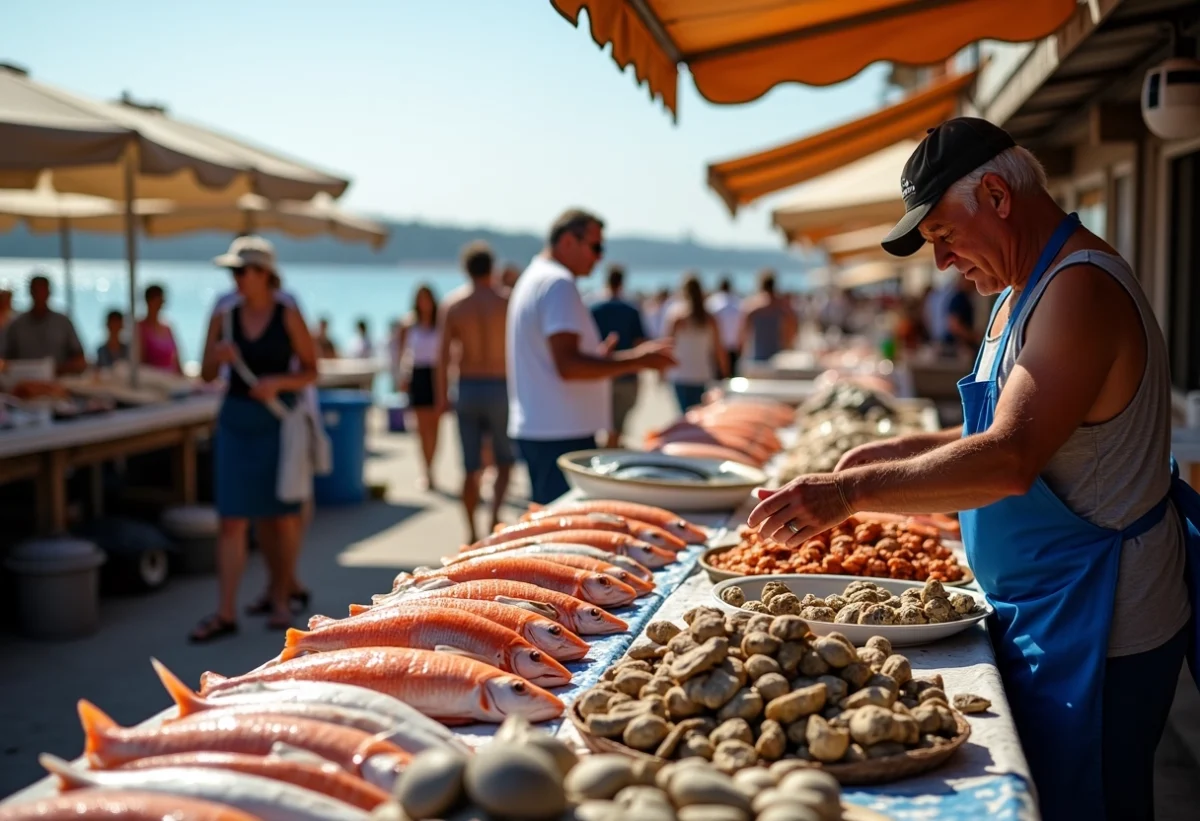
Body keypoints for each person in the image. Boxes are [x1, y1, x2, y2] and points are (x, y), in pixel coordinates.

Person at [747, 118, 1199, 821]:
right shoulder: (1019, 291)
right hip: (1045, 601)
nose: (941, 265)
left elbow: (1011, 459)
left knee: (1097, 801)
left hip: (1104, 617)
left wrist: (853, 491)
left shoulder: (1079, 290)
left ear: (996, 194)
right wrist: (891, 455)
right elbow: (987, 433)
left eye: (943, 237)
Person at [191, 236, 317, 642]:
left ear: (266, 275)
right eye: (233, 272)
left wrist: (278, 381)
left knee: (279, 516)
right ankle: (225, 611)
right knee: (231, 520)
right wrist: (218, 357)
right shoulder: (224, 315)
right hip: (235, 420)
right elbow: (206, 375)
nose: (236, 279)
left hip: (276, 423)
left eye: (243, 271)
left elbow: (312, 369)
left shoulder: (288, 313)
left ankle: (280, 598)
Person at [507, 209, 676, 504]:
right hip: (560, 432)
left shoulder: (536, 278)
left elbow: (557, 359)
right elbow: (568, 366)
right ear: (569, 241)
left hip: (546, 426)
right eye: (596, 247)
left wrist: (599, 359)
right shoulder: (558, 283)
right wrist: (638, 359)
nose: (599, 257)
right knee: (561, 532)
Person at [438, 241, 515, 541]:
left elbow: (442, 357)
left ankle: (470, 531)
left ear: (465, 269)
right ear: (491, 267)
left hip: (468, 386)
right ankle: (494, 516)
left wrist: (442, 396)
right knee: (505, 460)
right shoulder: (507, 301)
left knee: (470, 466)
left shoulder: (454, 304)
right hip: (500, 385)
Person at [590, 264, 646, 447]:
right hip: (627, 374)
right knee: (618, 425)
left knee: (606, 424)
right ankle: (609, 456)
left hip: (600, 374)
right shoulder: (631, 310)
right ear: (622, 282)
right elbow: (639, 343)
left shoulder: (594, 308)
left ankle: (608, 452)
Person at [398, 285, 442, 492]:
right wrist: (402, 376)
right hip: (418, 375)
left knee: (435, 426)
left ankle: (432, 465)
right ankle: (427, 470)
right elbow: (402, 353)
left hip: (436, 374)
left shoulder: (440, 323)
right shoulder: (409, 324)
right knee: (421, 427)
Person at [666, 275, 727, 412]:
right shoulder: (710, 318)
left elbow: (668, 346)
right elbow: (718, 349)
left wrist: (662, 372)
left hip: (680, 373)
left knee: (685, 416)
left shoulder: (677, 317)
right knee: (700, 416)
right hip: (702, 373)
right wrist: (724, 372)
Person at [2, 275, 86, 375]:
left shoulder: (62, 322)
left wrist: (57, 369)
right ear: (30, 293)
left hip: (58, 380)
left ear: (49, 293)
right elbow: (5, 360)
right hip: (25, 383)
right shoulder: (17, 325)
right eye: (36, 291)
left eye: (42, 291)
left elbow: (79, 358)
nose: (39, 296)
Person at [739, 271, 796, 364]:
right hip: (778, 356)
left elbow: (743, 332)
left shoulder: (754, 306)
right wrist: (787, 344)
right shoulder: (782, 307)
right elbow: (792, 326)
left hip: (757, 355)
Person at [137, 284, 182, 373]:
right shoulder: (140, 327)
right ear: (148, 301)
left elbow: (177, 358)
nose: (159, 304)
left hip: (170, 378)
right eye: (155, 300)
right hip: (152, 379)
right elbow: (139, 359)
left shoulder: (167, 328)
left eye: (160, 301)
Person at [706, 277, 742, 377]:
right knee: (732, 378)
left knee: (716, 380)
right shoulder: (737, 302)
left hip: (716, 346)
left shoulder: (712, 302)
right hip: (733, 346)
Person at [943, 275, 979, 357]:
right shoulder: (958, 299)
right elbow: (955, 326)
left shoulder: (966, 298)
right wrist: (972, 336)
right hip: (957, 345)